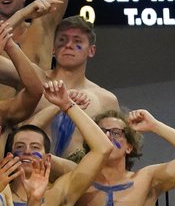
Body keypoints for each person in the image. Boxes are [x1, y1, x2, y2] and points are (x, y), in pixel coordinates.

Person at [24, 17, 119, 157]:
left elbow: (115, 149)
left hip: (83, 175)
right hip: (31, 170)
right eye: (62, 40)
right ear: (53, 49)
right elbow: (18, 135)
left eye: (77, 41)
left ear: (91, 51)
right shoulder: (35, 81)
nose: (68, 45)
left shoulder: (106, 99)